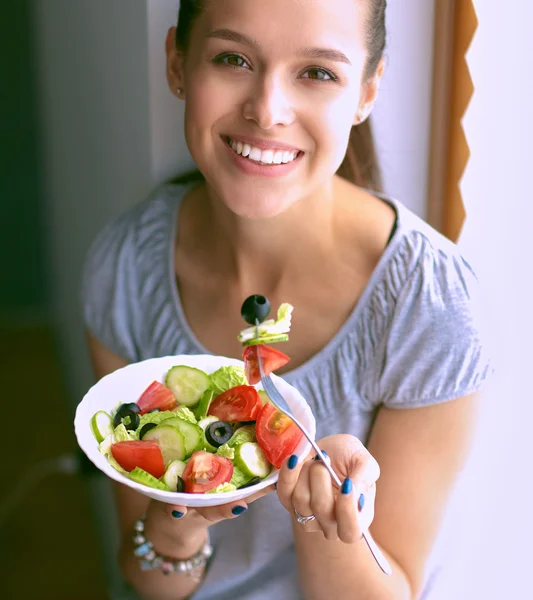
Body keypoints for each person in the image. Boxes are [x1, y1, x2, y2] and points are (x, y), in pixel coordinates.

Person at [82, 1, 491, 598]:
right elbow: (152, 582)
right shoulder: (124, 270)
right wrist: (181, 515)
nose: (267, 110)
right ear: (177, 63)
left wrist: (320, 509)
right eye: (232, 58)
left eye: (318, 72)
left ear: (366, 91)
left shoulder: (431, 309)